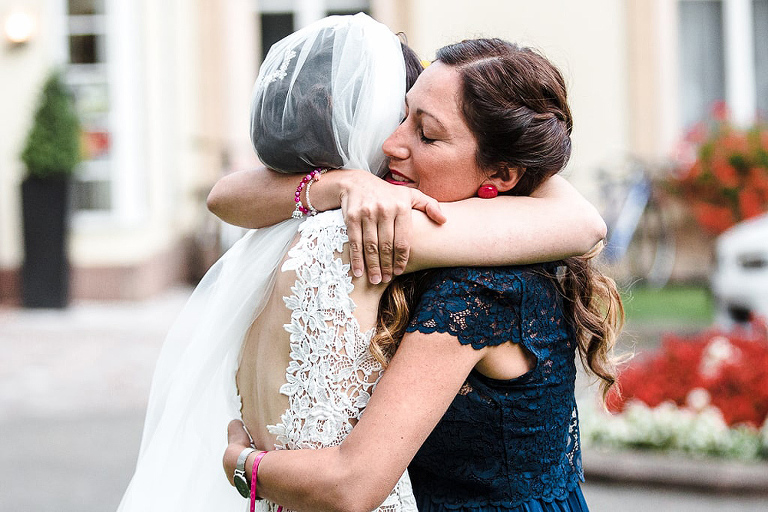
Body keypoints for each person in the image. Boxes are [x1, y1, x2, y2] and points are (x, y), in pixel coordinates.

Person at [118, 15, 603, 512]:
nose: (391, 143)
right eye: (401, 115)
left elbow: (351, 484)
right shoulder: (414, 222)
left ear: (501, 174)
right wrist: (340, 182)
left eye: (426, 134)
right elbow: (225, 195)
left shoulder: (479, 286)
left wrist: (241, 464)